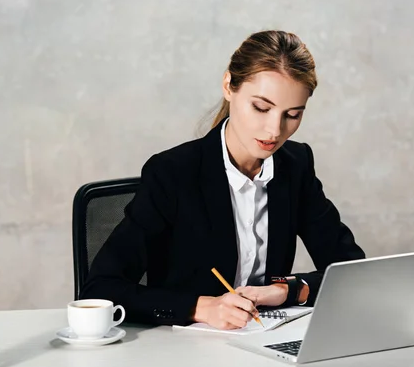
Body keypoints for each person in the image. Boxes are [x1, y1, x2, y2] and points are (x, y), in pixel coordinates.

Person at [80, 30, 365, 330]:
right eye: (261, 108)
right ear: (229, 86)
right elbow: (100, 289)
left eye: (292, 114)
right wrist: (201, 308)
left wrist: (287, 291)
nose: (274, 130)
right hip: (185, 352)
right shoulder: (172, 172)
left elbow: (353, 272)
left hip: (261, 347)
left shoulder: (296, 166)